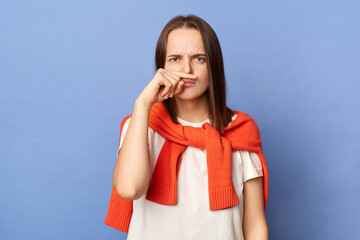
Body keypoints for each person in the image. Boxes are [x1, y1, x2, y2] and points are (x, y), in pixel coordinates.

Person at [105, 14, 269, 240]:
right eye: (175, 59)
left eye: (199, 58)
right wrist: (143, 103)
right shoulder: (141, 125)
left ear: (214, 65)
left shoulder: (241, 131)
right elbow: (130, 189)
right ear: (161, 66)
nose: (187, 70)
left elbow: (254, 227)